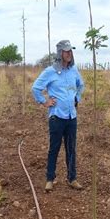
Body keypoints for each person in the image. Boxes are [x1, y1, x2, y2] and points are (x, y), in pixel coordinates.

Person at [32, 40, 85, 192]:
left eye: (70, 51)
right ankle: (50, 179)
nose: (69, 53)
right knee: (54, 148)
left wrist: (77, 98)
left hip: (71, 117)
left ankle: (72, 178)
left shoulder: (73, 70)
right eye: (66, 51)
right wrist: (44, 101)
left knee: (71, 149)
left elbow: (81, 85)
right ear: (60, 53)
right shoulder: (50, 71)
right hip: (56, 117)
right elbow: (35, 88)